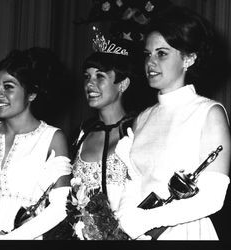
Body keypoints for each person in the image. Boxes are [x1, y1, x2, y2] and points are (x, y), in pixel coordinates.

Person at [115, 6, 231, 240]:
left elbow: (213, 197)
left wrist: (145, 221)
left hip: (186, 232)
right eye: (147, 54)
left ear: (188, 58)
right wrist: (125, 219)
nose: (151, 62)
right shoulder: (143, 118)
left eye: (162, 53)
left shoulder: (209, 113)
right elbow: (135, 181)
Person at [0, 47, 72, 239]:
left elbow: (60, 207)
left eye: (8, 87)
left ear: (31, 94)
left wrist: (9, 240)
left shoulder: (52, 138)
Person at [71, 29, 138, 214]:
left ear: (123, 84)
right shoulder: (80, 135)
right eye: (87, 77)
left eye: (100, 76)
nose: (89, 84)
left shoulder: (137, 132)